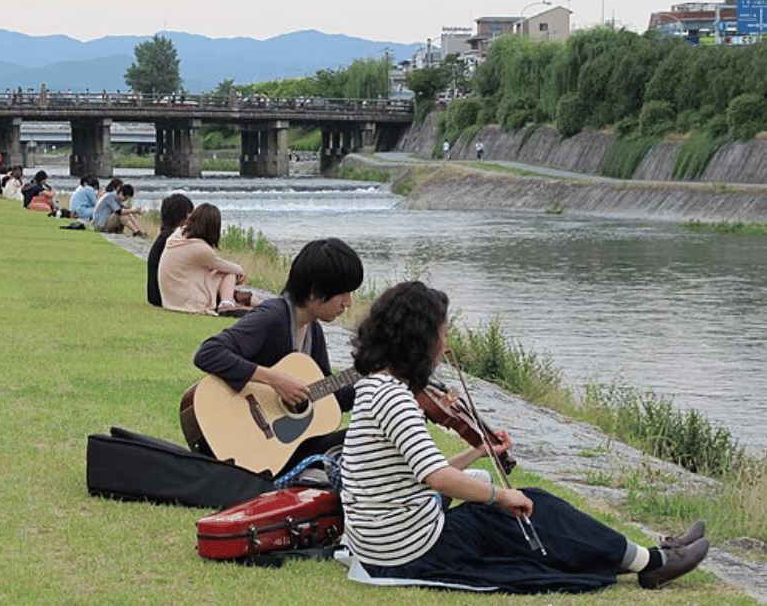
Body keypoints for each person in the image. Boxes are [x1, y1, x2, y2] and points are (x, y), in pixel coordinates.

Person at [340, 281, 709, 593]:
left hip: (384, 541)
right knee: (534, 508)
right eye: (442, 334)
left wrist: (478, 451)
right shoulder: (394, 398)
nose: (444, 344)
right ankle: (653, 562)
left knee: (513, 506)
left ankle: (646, 555)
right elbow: (436, 477)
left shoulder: (375, 386)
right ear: (419, 340)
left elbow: (418, 473)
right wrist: (501, 495)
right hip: (408, 548)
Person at [193, 237, 364, 476]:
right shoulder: (273, 316)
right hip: (246, 442)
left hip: (280, 450)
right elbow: (208, 352)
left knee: (361, 437)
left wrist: (374, 376)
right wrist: (275, 380)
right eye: (343, 293)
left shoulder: (313, 331)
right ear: (315, 292)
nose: (348, 303)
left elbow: (331, 397)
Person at [157, 203, 245, 315]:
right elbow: (224, 266)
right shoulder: (200, 248)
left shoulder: (178, 236)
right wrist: (240, 270)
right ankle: (226, 303)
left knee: (219, 272)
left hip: (171, 299)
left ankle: (230, 301)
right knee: (229, 273)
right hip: (190, 301)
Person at [147, 193, 194, 306]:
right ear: (181, 216)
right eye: (189, 214)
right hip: (163, 295)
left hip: (157, 294)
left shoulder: (165, 236)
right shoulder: (172, 239)